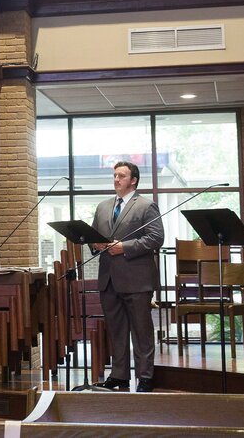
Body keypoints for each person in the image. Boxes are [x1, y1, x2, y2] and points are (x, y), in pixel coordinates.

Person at [91, 160, 164, 392]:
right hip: (109, 278)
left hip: (136, 279)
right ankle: (119, 376)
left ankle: (145, 377)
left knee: (142, 332)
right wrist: (95, 244)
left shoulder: (145, 205)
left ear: (133, 180)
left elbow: (156, 238)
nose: (116, 179)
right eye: (114, 175)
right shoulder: (103, 206)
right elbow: (94, 236)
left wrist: (125, 246)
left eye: (121, 176)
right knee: (116, 330)